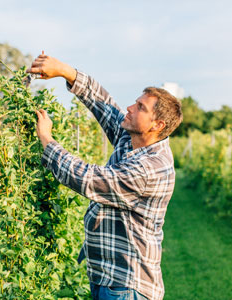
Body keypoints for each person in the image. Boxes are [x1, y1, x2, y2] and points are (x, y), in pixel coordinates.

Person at [27, 54, 183, 300]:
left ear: (158, 125)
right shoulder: (132, 139)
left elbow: (89, 179)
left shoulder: (149, 168)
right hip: (108, 277)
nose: (130, 108)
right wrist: (65, 71)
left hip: (127, 285)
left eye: (140, 107)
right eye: (136, 102)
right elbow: (104, 104)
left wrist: (47, 140)